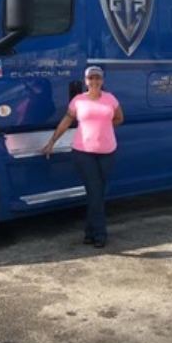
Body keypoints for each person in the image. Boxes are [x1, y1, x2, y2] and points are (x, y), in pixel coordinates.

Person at [42, 66, 124, 248]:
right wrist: (52, 141)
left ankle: (89, 232)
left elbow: (119, 118)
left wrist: (104, 129)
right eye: (91, 78)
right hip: (83, 152)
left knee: (97, 194)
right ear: (85, 81)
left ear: (102, 80)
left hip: (107, 152)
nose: (94, 81)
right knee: (95, 191)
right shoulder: (78, 101)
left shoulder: (110, 99)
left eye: (98, 78)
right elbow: (66, 121)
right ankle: (100, 233)